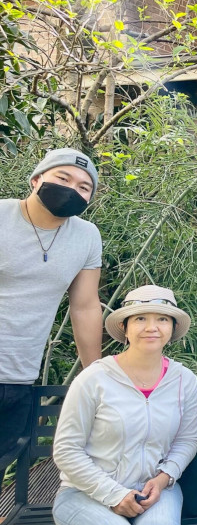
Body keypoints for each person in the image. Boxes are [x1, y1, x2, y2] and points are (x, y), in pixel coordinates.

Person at [51, 285, 197, 525]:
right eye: (140, 318)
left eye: (162, 318)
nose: (151, 327)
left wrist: (163, 479)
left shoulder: (183, 379)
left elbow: (188, 439)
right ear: (124, 327)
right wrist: (114, 495)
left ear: (172, 328)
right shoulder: (95, 379)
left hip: (155, 490)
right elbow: (66, 449)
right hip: (85, 494)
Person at [1, 149, 103, 460]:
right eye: (63, 178)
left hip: (21, 373)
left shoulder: (86, 236)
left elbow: (85, 307)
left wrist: (95, 376)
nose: (72, 188)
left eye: (84, 187)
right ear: (36, 180)